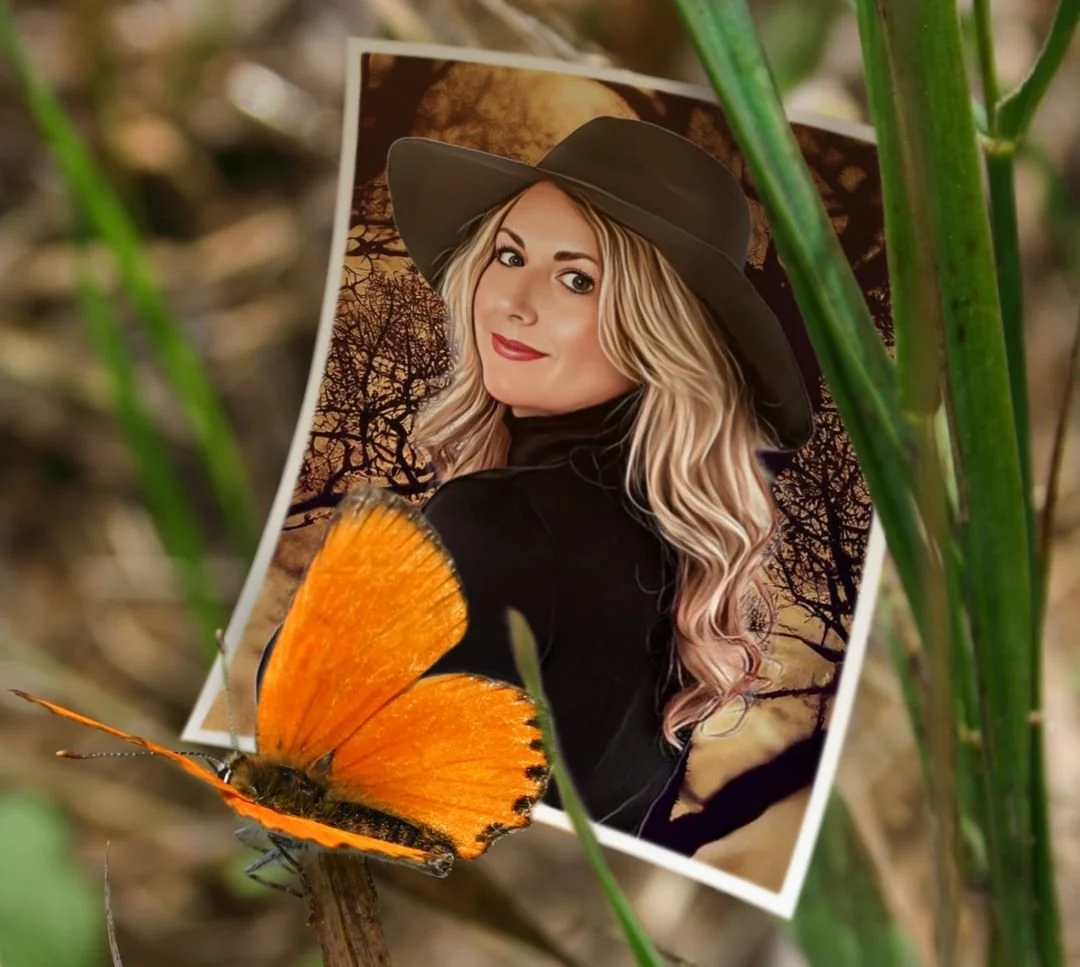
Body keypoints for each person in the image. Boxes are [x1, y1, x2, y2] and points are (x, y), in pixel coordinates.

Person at [379, 117, 816, 838]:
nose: (516, 301)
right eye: (510, 255)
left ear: (660, 331)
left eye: (577, 279)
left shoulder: (500, 525)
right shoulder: (673, 553)